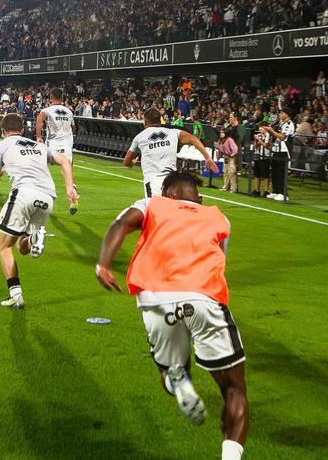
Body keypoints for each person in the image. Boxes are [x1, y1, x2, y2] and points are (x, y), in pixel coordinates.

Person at [95, 172, 248, 460]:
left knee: (171, 369)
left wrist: (103, 264)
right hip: (203, 297)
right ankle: (230, 455)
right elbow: (219, 260)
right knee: (234, 388)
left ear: (168, 194)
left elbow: (121, 223)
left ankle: (178, 382)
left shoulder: (153, 204)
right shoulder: (220, 218)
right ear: (198, 197)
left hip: (156, 299)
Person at [0, 113, 78, 309]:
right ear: (22, 130)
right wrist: (70, 188)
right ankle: (35, 237)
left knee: (4, 246)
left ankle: (16, 294)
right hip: (47, 198)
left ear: (3, 131)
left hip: (23, 194)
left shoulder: (2, 145)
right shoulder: (39, 146)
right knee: (23, 247)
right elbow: (64, 160)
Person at [124, 108, 215, 198]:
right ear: (160, 120)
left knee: (154, 207)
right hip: (172, 182)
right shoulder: (173, 132)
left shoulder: (139, 137)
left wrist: (131, 163)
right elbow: (193, 139)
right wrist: (207, 157)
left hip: (153, 182)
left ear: (145, 121)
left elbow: (126, 162)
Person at [37, 88, 79, 214]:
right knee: (66, 169)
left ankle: (42, 194)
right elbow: (74, 128)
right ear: (62, 98)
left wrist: (38, 137)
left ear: (51, 98)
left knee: (41, 165)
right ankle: (73, 192)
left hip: (53, 144)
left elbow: (39, 120)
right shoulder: (69, 111)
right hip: (67, 143)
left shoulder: (47, 110)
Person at [259, 109, 295, 202]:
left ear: (287, 114)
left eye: (282, 113)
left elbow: (282, 137)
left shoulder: (289, 124)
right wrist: (269, 131)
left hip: (284, 150)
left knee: (281, 172)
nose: (280, 114)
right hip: (276, 149)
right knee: (275, 172)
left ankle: (284, 194)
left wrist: (271, 130)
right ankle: (276, 191)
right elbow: (276, 136)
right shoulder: (281, 124)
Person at [217, 127, 239, 193]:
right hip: (225, 157)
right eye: (220, 132)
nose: (221, 134)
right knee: (225, 172)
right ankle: (225, 187)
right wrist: (218, 158)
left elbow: (235, 149)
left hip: (231, 157)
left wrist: (232, 154)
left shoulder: (229, 139)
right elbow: (219, 150)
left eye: (222, 132)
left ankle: (233, 188)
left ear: (226, 133)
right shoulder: (220, 140)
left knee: (231, 172)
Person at [250, 130, 272, 198]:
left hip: (265, 156)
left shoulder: (268, 135)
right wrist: (256, 141)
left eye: (262, 129)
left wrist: (259, 140)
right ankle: (257, 190)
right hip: (257, 155)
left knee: (266, 175)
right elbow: (254, 146)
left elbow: (266, 146)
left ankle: (266, 190)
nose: (260, 130)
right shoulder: (259, 135)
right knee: (257, 174)